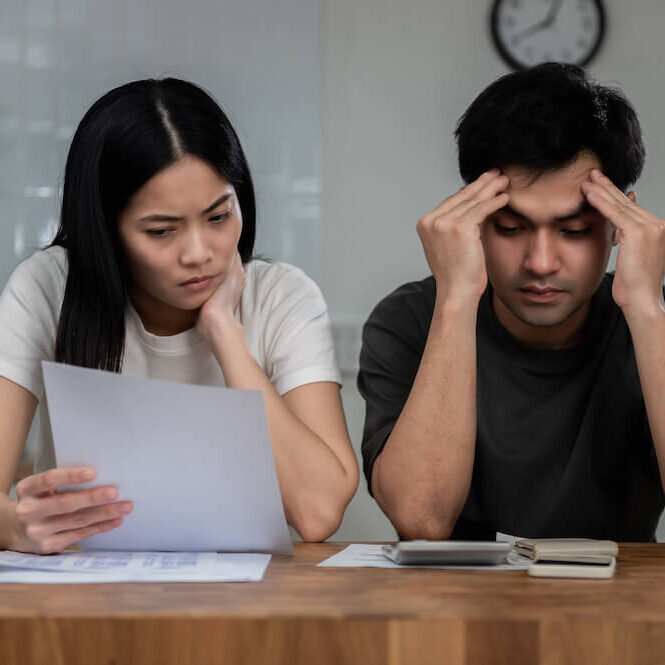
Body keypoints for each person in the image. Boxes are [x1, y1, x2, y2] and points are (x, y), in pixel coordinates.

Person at [0, 78, 358, 553]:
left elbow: (318, 513)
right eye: (162, 231)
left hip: (249, 599)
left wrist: (224, 331)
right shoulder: (49, 287)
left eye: (218, 217)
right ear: (106, 231)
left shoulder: (283, 297)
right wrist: (15, 528)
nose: (199, 254)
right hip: (83, 598)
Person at [358, 63, 665, 542]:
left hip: (618, 611)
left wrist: (646, 308)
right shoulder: (409, 320)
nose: (541, 262)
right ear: (472, 216)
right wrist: (456, 298)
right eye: (510, 228)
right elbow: (421, 520)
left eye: (574, 231)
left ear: (620, 222)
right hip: (454, 610)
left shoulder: (651, 324)